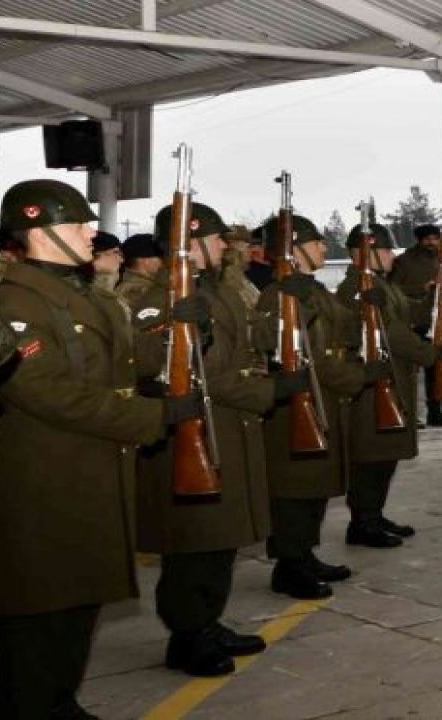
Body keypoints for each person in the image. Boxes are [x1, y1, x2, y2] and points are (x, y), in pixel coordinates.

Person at [0, 179, 201, 718]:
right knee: (38, 615)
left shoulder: (82, 292)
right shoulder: (11, 301)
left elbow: (115, 366)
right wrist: (151, 415)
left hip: (90, 470)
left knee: (77, 605)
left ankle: (60, 701)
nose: (91, 231)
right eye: (78, 222)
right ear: (40, 230)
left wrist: (177, 335)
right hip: (43, 478)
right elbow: (46, 393)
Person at [130, 202, 306, 677]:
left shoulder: (218, 292)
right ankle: (186, 636)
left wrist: (288, 306)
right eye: (213, 239)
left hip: (228, 428)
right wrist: (268, 390)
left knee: (220, 540)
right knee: (194, 542)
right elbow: (154, 364)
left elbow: (245, 346)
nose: (223, 247)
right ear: (188, 243)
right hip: (194, 430)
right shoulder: (159, 296)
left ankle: (206, 621)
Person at [253, 215, 371, 599]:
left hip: (323, 400)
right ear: (295, 248)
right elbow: (285, 348)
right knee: (295, 487)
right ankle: (289, 564)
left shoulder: (313, 290)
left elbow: (343, 331)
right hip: (298, 405)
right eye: (317, 242)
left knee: (315, 485)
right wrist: (356, 378)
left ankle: (303, 554)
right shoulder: (279, 294)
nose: (324, 248)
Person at [336, 222, 438, 548]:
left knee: (385, 456)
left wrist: (434, 294)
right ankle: (362, 522)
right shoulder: (355, 289)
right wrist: (428, 354)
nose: (392, 256)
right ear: (367, 254)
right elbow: (391, 332)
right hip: (371, 387)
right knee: (371, 457)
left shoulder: (382, 285)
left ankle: (374, 515)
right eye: (385, 250)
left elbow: (407, 316)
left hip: (392, 380)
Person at [390, 223, 442, 427]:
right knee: (409, 371)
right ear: (419, 240)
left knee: (436, 368)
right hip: (414, 321)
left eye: (435, 238)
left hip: (439, 322)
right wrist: (422, 288)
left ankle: (435, 412)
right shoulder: (403, 261)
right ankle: (409, 414)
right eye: (427, 239)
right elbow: (394, 288)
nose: (432, 243)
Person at [116, 233, 162, 306]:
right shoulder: (138, 290)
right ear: (146, 261)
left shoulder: (127, 282)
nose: (162, 262)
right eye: (160, 257)